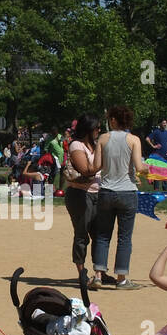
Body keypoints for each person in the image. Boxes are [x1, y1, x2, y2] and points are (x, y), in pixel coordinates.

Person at [90, 106, 146, 290]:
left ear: (113, 120)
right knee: (124, 237)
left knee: (103, 235)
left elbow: (97, 165)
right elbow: (139, 167)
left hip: (106, 191)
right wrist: (152, 168)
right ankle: (121, 278)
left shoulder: (103, 139)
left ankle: (98, 275)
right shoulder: (134, 140)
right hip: (127, 192)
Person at [64, 116, 100, 277]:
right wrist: (105, 161)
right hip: (80, 195)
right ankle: (82, 272)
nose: (99, 131)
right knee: (81, 234)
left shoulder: (96, 145)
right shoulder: (76, 145)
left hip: (99, 194)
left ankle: (99, 272)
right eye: (97, 128)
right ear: (88, 129)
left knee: (100, 235)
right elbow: (86, 170)